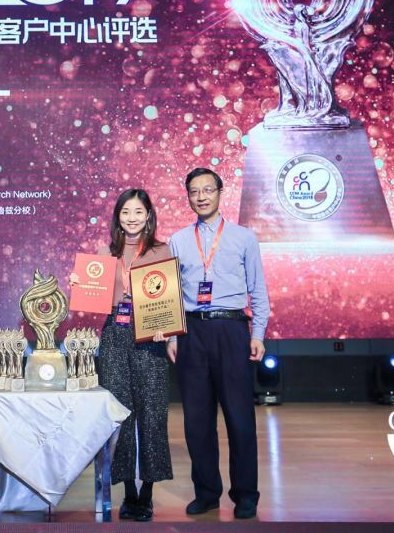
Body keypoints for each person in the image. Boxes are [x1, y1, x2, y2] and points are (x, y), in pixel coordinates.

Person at [167, 167, 270, 520]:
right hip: (191, 332)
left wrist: (257, 333)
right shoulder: (178, 240)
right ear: (188, 197)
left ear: (220, 193)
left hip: (231, 330)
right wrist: (171, 335)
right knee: (197, 420)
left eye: (207, 190)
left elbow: (258, 289)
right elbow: (171, 294)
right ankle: (207, 493)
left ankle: (246, 495)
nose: (201, 197)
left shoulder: (244, 238)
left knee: (240, 418)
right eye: (194, 191)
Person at [70, 188, 173, 522]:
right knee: (120, 413)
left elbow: (170, 298)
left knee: (152, 413)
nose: (132, 218)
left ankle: (148, 492)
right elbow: (94, 296)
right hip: (115, 332)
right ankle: (128, 492)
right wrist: (79, 285)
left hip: (150, 331)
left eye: (138, 212)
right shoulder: (104, 254)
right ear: (117, 217)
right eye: (126, 212)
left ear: (148, 216)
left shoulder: (161, 251)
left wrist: (167, 329)